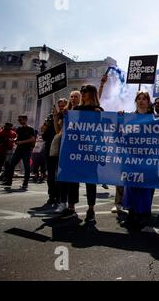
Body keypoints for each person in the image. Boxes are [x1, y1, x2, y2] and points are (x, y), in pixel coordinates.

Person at [59, 85, 103, 224]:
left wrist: (100, 116)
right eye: (82, 91)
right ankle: (71, 207)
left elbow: (104, 129)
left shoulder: (98, 110)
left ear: (92, 94)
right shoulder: (76, 109)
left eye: (85, 92)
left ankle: (91, 210)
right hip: (75, 149)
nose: (83, 94)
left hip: (91, 151)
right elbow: (66, 127)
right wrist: (64, 116)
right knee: (73, 179)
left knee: (90, 180)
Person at [120, 91, 155, 230]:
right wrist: (120, 119)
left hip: (147, 159)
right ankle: (131, 215)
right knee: (131, 187)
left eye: (144, 99)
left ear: (148, 102)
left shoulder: (153, 118)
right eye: (139, 99)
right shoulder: (130, 117)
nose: (141, 101)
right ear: (136, 101)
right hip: (132, 158)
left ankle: (144, 216)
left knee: (145, 188)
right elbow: (121, 134)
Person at [2, 115, 37, 190]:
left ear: (25, 120)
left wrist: (22, 142)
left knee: (26, 166)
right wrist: (14, 139)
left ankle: (25, 183)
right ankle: (9, 181)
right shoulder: (19, 129)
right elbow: (17, 137)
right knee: (11, 165)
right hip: (19, 149)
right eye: (19, 120)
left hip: (27, 150)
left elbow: (33, 139)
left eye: (20, 120)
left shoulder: (30, 129)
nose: (19, 121)